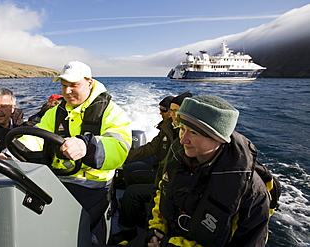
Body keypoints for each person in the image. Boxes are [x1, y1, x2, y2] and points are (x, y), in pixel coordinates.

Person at [129, 95, 270, 247]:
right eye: (182, 129)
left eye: (194, 133)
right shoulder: (178, 155)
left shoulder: (249, 191)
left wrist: (168, 244)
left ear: (219, 138)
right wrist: (156, 228)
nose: (183, 140)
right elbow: (161, 192)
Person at [19, 61, 132, 235]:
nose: (67, 91)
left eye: (73, 85)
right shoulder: (54, 112)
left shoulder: (111, 112)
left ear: (89, 83)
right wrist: (10, 153)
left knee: (70, 227)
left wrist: (87, 146)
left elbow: (119, 146)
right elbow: (35, 137)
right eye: (64, 86)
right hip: (57, 179)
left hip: (93, 184)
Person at [112, 92, 193, 245]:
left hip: (171, 183)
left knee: (131, 192)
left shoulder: (186, 139)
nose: (165, 113)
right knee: (130, 171)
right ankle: (135, 210)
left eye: (167, 110)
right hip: (162, 174)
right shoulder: (168, 128)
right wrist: (120, 156)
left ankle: (127, 231)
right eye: (168, 110)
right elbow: (150, 149)